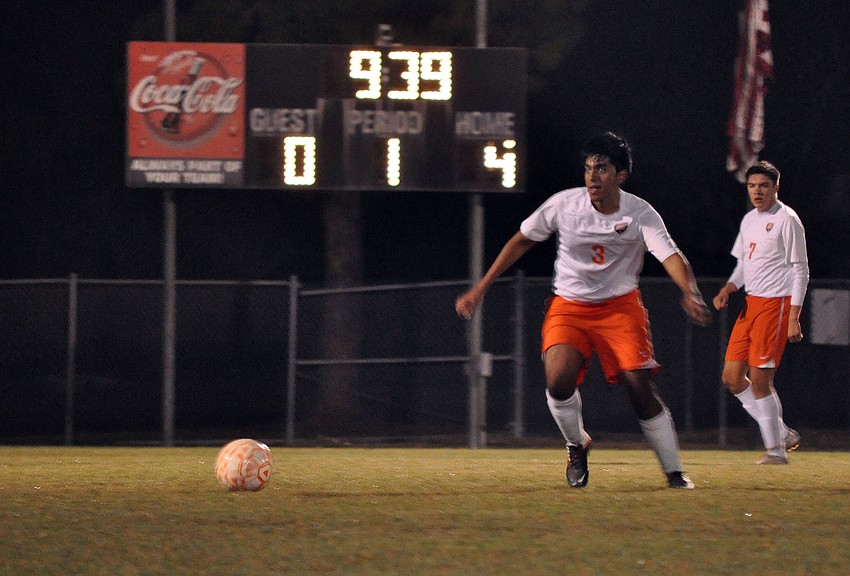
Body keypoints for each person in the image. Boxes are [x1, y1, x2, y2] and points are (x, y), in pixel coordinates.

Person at [455, 131, 711, 489]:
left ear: (620, 176)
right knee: (557, 382)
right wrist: (481, 288)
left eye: (602, 168)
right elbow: (522, 240)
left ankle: (674, 472)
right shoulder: (564, 204)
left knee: (638, 387)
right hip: (570, 306)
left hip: (620, 309)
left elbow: (670, 255)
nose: (593, 176)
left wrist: (690, 292)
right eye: (589, 168)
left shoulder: (639, 212)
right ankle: (577, 443)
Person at [712, 161, 808, 465]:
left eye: (764, 185)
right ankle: (782, 433)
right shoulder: (749, 220)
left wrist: (793, 316)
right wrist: (729, 287)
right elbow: (744, 265)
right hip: (751, 305)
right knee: (731, 378)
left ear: (776, 187)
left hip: (776, 305)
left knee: (760, 378)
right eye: (752, 186)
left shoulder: (787, 219)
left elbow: (801, 270)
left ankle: (776, 452)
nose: (757, 191)